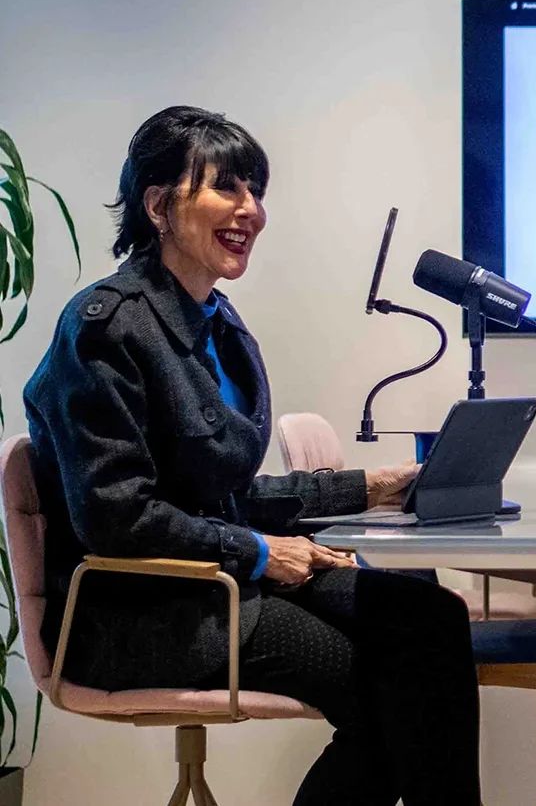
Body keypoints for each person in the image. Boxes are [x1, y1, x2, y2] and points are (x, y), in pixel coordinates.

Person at [24, 106, 484, 806]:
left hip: (217, 577)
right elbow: (116, 517)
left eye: (255, 191)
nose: (250, 210)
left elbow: (222, 495)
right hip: (142, 609)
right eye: (227, 188)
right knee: (388, 684)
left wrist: (373, 487)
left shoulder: (216, 320)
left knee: (429, 619)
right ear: (158, 204)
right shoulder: (107, 328)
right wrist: (263, 553)